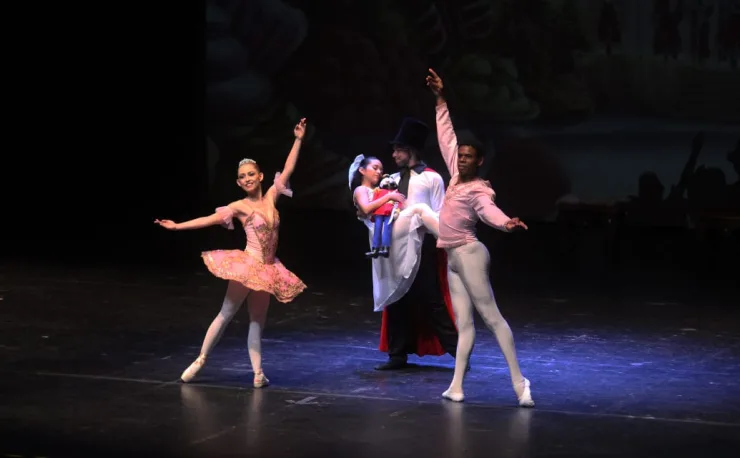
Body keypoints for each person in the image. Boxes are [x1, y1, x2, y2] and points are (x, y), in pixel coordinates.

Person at [155, 118, 309, 388]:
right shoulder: (238, 206)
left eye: (251, 174)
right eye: (242, 177)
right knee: (226, 313)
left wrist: (298, 139)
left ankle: (258, 373)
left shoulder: (272, 197)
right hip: (248, 265)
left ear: (260, 176)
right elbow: (209, 219)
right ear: (238, 183)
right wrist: (177, 226)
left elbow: (288, 169)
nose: (247, 178)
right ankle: (200, 360)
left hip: (268, 269)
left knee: (257, 321)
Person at [426, 68, 534, 407]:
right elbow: (446, 137)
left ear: (480, 162)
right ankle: (456, 386)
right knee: (465, 325)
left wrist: (506, 224)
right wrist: (440, 99)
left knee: (492, 318)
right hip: (452, 258)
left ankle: (520, 383)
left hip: (470, 253)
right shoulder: (455, 177)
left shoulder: (478, 189)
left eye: (468, 157)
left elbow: (489, 212)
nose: (461, 159)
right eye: (461, 156)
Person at [353, 119, 459, 371]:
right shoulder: (390, 179)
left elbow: (438, 212)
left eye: (398, 150)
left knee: (432, 300)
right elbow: (378, 207)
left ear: (410, 150)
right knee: (396, 299)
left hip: (422, 246)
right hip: (395, 246)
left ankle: (458, 352)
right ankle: (397, 354)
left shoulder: (431, 178)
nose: (394, 155)